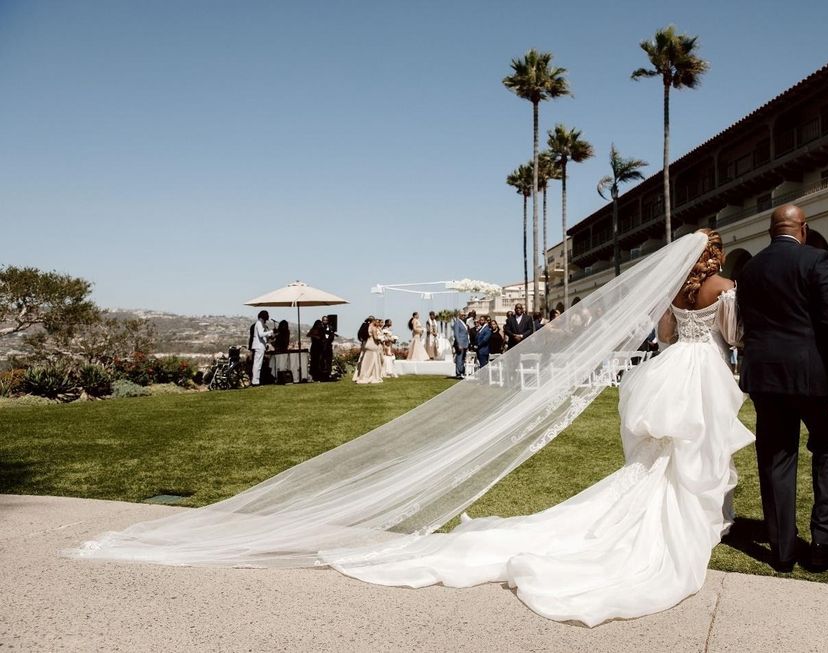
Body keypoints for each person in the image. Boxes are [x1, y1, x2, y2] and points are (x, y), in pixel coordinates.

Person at [71, 232, 753, 627]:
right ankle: (699, 523)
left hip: (673, 371)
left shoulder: (673, 296)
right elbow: (732, 337)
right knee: (693, 454)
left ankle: (686, 517)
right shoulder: (724, 291)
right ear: (715, 258)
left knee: (661, 459)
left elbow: (668, 337)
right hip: (704, 373)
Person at [738, 205, 828, 574]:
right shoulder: (817, 260)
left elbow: (746, 324)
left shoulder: (749, 270)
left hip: (765, 378)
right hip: (812, 377)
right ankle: (824, 543)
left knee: (776, 457)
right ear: (802, 228)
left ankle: (782, 550)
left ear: (770, 231)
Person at [353, 318, 384, 384]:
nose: (377, 322)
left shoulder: (367, 327)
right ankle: (372, 376)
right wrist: (381, 339)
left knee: (366, 361)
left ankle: (363, 375)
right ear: (373, 321)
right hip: (373, 345)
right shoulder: (373, 328)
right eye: (376, 321)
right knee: (374, 361)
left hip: (367, 344)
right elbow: (375, 338)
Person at [248, 310, 273, 386]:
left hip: (260, 346)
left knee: (258, 364)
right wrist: (270, 332)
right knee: (257, 365)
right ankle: (255, 381)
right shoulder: (259, 323)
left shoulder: (260, 324)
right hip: (259, 346)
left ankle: (256, 380)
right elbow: (261, 334)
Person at [451, 310, 469, 379]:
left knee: (462, 359)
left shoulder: (463, 323)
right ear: (459, 315)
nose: (463, 316)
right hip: (460, 343)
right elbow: (456, 334)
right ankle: (458, 373)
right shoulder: (457, 322)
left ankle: (462, 372)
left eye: (464, 315)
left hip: (465, 343)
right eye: (462, 315)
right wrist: (459, 344)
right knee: (459, 358)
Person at [321, 315, 336, 380]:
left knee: (329, 361)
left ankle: (328, 374)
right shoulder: (320, 328)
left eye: (326, 320)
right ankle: (322, 375)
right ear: (322, 321)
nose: (325, 321)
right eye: (324, 320)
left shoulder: (330, 328)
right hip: (321, 348)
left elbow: (332, 337)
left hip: (328, 347)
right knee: (321, 361)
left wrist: (327, 342)